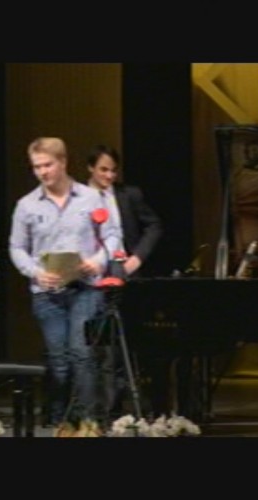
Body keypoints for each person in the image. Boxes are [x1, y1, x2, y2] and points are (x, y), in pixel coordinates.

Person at [9, 137, 122, 425]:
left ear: (63, 162)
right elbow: (17, 247)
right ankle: (58, 420)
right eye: (36, 167)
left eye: (47, 165)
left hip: (85, 287)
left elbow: (112, 235)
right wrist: (35, 271)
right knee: (59, 360)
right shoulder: (26, 205)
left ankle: (88, 422)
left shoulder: (90, 197)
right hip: (47, 291)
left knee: (82, 353)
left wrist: (97, 261)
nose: (42, 172)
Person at [84, 144, 169, 421]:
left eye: (113, 170)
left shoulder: (129, 195)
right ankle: (101, 410)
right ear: (90, 169)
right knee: (98, 345)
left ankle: (127, 409)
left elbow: (154, 225)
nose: (109, 176)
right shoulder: (78, 196)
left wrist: (137, 258)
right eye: (103, 170)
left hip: (124, 270)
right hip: (91, 273)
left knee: (125, 344)